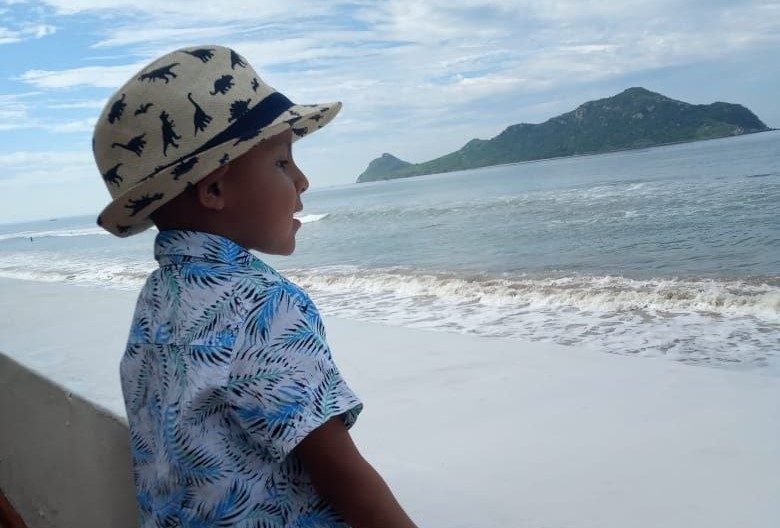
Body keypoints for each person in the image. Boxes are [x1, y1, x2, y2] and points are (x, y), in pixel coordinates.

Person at [92, 45, 417, 528]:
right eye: (282, 162)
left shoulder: (157, 298)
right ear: (215, 189)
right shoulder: (263, 304)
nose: (303, 181)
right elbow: (343, 477)